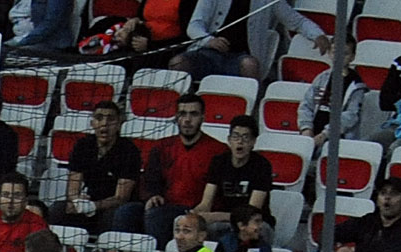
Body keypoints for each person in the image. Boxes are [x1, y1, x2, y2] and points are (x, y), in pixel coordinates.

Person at [111, 94, 227, 249]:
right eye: (182, 114)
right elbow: (150, 180)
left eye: (193, 114)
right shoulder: (162, 146)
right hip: (165, 204)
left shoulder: (218, 150)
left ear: (202, 117)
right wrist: (152, 196)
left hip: (194, 210)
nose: (187, 120)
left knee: (157, 217)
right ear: (176, 117)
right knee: (126, 212)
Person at [170, 0, 329, 81]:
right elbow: (194, 26)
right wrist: (209, 41)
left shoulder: (268, 1)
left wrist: (318, 35)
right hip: (207, 53)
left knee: (250, 65)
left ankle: (246, 119)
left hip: (240, 57)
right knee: (178, 63)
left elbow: (298, 22)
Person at [49, 101, 141, 235]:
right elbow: (73, 185)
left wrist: (94, 206)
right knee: (58, 209)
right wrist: (77, 200)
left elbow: (121, 197)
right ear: (92, 123)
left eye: (111, 119)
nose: (105, 124)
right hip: (89, 201)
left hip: (116, 206)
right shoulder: (83, 145)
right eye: (99, 118)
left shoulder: (129, 150)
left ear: (119, 123)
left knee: (112, 216)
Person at [192, 115, 273, 241]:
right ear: (229, 140)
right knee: (190, 226)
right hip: (225, 220)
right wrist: (195, 214)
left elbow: (250, 213)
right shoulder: (218, 162)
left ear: (253, 142)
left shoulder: (262, 166)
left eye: (245, 138)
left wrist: (215, 216)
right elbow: (206, 203)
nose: (240, 142)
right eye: (235, 137)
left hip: (254, 222)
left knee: (251, 229)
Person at [298, 35, 367, 153]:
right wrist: (306, 128)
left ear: (352, 57)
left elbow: (350, 115)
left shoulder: (356, 85)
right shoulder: (322, 78)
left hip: (338, 138)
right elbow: (307, 104)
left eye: (344, 54)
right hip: (313, 131)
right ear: (329, 53)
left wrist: (325, 134)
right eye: (335, 52)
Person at [368, 54, 401, 164]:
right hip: (397, 125)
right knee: (368, 146)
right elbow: (385, 101)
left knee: (395, 150)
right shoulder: (399, 63)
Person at [6, 0, 75, 52]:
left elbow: (51, 23)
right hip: (22, 38)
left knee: (6, 53)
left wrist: (23, 41)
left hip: (50, 43)